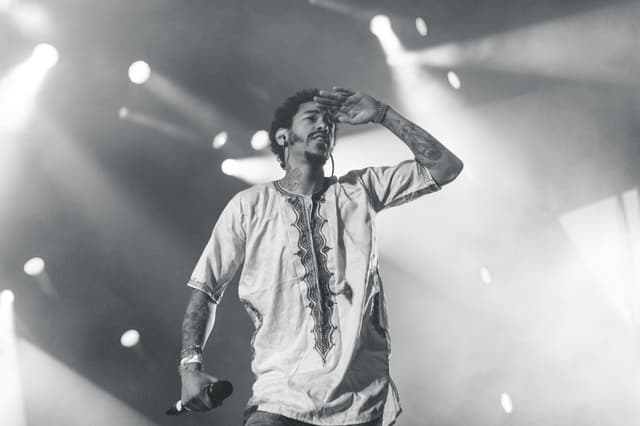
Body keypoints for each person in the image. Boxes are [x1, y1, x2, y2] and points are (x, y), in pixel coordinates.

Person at [178, 87, 463, 426]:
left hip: (360, 404)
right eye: (312, 118)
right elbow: (205, 290)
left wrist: (382, 114)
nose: (324, 125)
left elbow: (445, 166)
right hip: (280, 401)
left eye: (329, 121)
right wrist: (190, 368)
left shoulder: (360, 190)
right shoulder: (249, 205)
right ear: (283, 136)